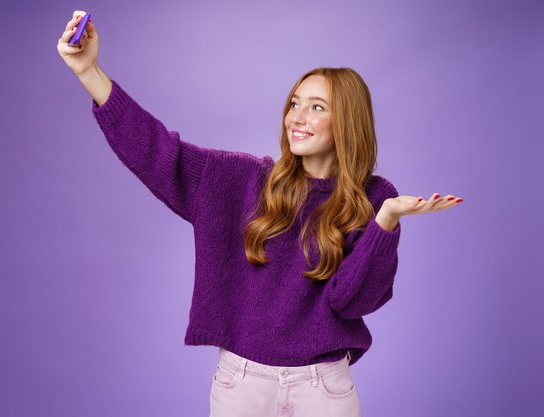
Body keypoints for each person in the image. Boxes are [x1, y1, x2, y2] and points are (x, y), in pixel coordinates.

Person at [57, 10, 464, 417]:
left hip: (322, 389)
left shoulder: (374, 197)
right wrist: (89, 72)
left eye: (317, 107)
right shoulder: (241, 178)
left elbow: (350, 301)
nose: (297, 118)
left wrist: (385, 222)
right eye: (294, 103)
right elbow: (157, 150)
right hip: (242, 385)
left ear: (348, 121)